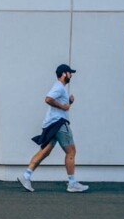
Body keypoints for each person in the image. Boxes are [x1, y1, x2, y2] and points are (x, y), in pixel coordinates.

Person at [20, 63, 88, 193]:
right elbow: (48, 99)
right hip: (59, 124)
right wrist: (63, 107)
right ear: (63, 74)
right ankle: (72, 183)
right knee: (71, 152)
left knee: (45, 151)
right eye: (69, 72)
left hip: (51, 124)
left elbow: (60, 104)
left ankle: (26, 176)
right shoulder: (59, 87)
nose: (71, 75)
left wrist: (69, 102)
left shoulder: (60, 88)